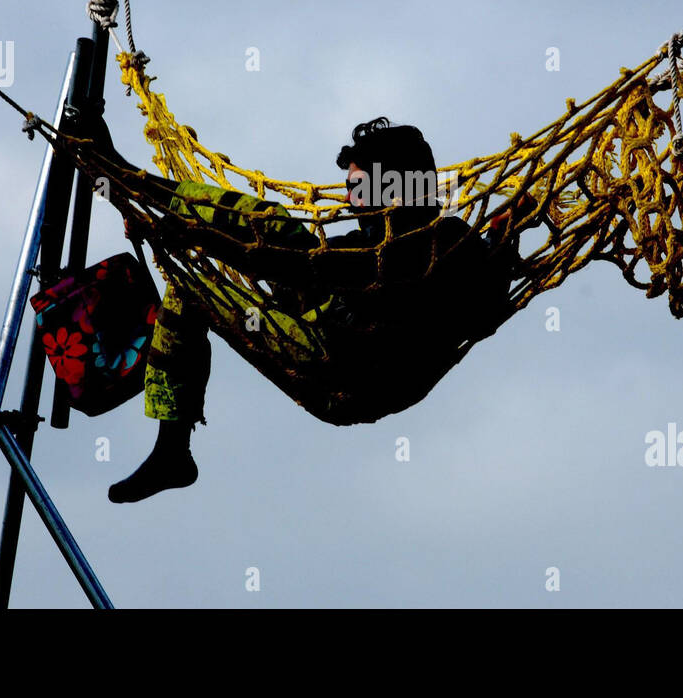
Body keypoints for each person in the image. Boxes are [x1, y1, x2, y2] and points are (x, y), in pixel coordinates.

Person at [80, 114, 523, 502]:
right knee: (265, 227)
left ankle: (172, 453)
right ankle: (134, 179)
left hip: (344, 370)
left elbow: (304, 267)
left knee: (204, 283)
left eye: (359, 188)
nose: (351, 200)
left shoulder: (439, 242)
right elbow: (295, 261)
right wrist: (503, 240)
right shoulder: (386, 240)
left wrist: (198, 238)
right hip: (327, 335)